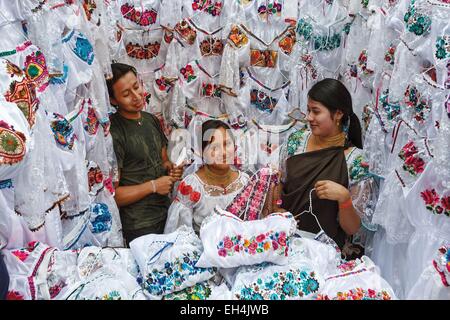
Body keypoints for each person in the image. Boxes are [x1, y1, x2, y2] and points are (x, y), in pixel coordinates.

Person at [277, 78, 377, 258]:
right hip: (285, 244)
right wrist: (276, 210)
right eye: (308, 110)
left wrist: (344, 198)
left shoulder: (355, 161)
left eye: (316, 111)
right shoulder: (296, 142)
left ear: (338, 114)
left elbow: (353, 228)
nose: (309, 117)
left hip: (327, 256)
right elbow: (278, 183)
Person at [107, 63, 184, 244]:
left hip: (166, 213)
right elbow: (112, 195)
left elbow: (163, 160)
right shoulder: (114, 133)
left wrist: (172, 168)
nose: (136, 96)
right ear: (113, 100)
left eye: (137, 87)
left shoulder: (150, 120)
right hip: (139, 225)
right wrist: (153, 186)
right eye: (126, 94)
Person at [164, 120, 251, 234]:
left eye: (227, 144)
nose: (223, 152)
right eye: (215, 147)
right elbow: (180, 235)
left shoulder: (245, 182)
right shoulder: (192, 187)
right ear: (202, 152)